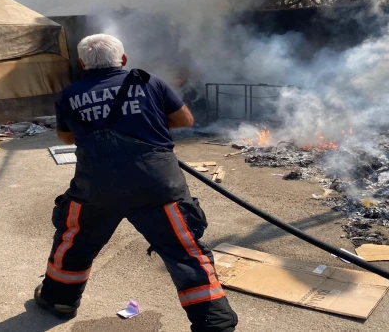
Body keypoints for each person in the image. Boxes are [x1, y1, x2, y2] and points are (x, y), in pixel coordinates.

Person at [34, 34, 237, 332]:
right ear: (124, 60)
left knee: (75, 240)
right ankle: (215, 325)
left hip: (96, 187)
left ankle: (59, 300)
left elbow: (67, 137)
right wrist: (147, 123)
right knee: (184, 250)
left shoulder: (69, 95)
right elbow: (185, 120)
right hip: (156, 185)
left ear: (82, 63)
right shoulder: (149, 82)